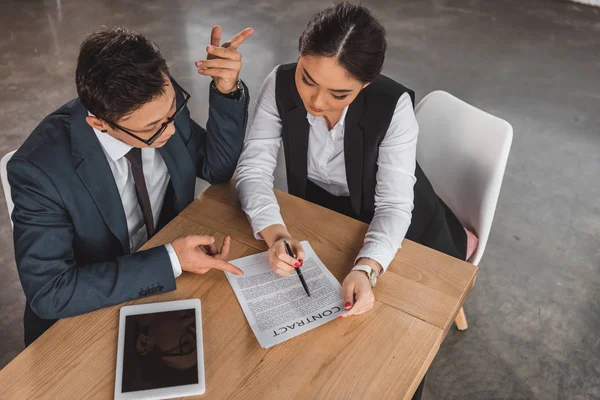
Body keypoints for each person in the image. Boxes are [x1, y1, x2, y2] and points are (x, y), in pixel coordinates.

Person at [8, 25, 252, 346]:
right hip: (91, 309)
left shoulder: (160, 104)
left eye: (172, 111)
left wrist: (225, 90)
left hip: (170, 283)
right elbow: (50, 293)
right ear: (99, 123)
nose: (169, 131)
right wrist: (171, 260)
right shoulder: (38, 170)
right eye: (152, 128)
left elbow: (216, 167)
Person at [236, 3, 478, 319]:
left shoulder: (393, 106)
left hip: (397, 216)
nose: (317, 102)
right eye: (307, 79)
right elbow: (253, 167)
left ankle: (459, 236)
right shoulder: (279, 83)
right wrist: (276, 233)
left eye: (338, 94)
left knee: (401, 312)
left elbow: (393, 205)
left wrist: (367, 268)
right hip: (325, 208)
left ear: (366, 84)